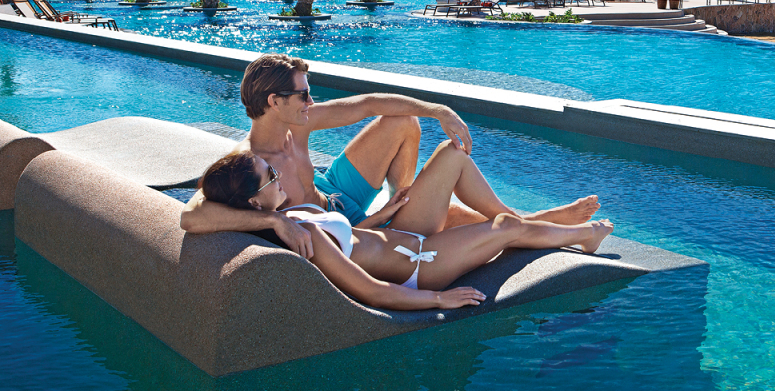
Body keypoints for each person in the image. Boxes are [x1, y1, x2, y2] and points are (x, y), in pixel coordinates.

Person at [181, 53, 600, 258]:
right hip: (341, 222)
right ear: (274, 101)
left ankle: (409, 202)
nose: (313, 99)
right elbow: (191, 216)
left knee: (402, 121)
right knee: (450, 209)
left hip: (333, 192)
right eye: (304, 94)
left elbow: (368, 103)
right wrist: (272, 219)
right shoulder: (246, 159)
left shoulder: (300, 122)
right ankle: (528, 221)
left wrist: (439, 110)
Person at [198, 151, 613, 310]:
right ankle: (579, 236)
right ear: (253, 201)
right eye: (270, 174)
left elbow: (352, 236)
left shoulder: (289, 212)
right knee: (502, 228)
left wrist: (382, 216)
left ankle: (540, 220)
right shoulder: (303, 236)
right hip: (421, 266)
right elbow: (370, 290)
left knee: (452, 155)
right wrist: (437, 297)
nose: (278, 172)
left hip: (402, 232)